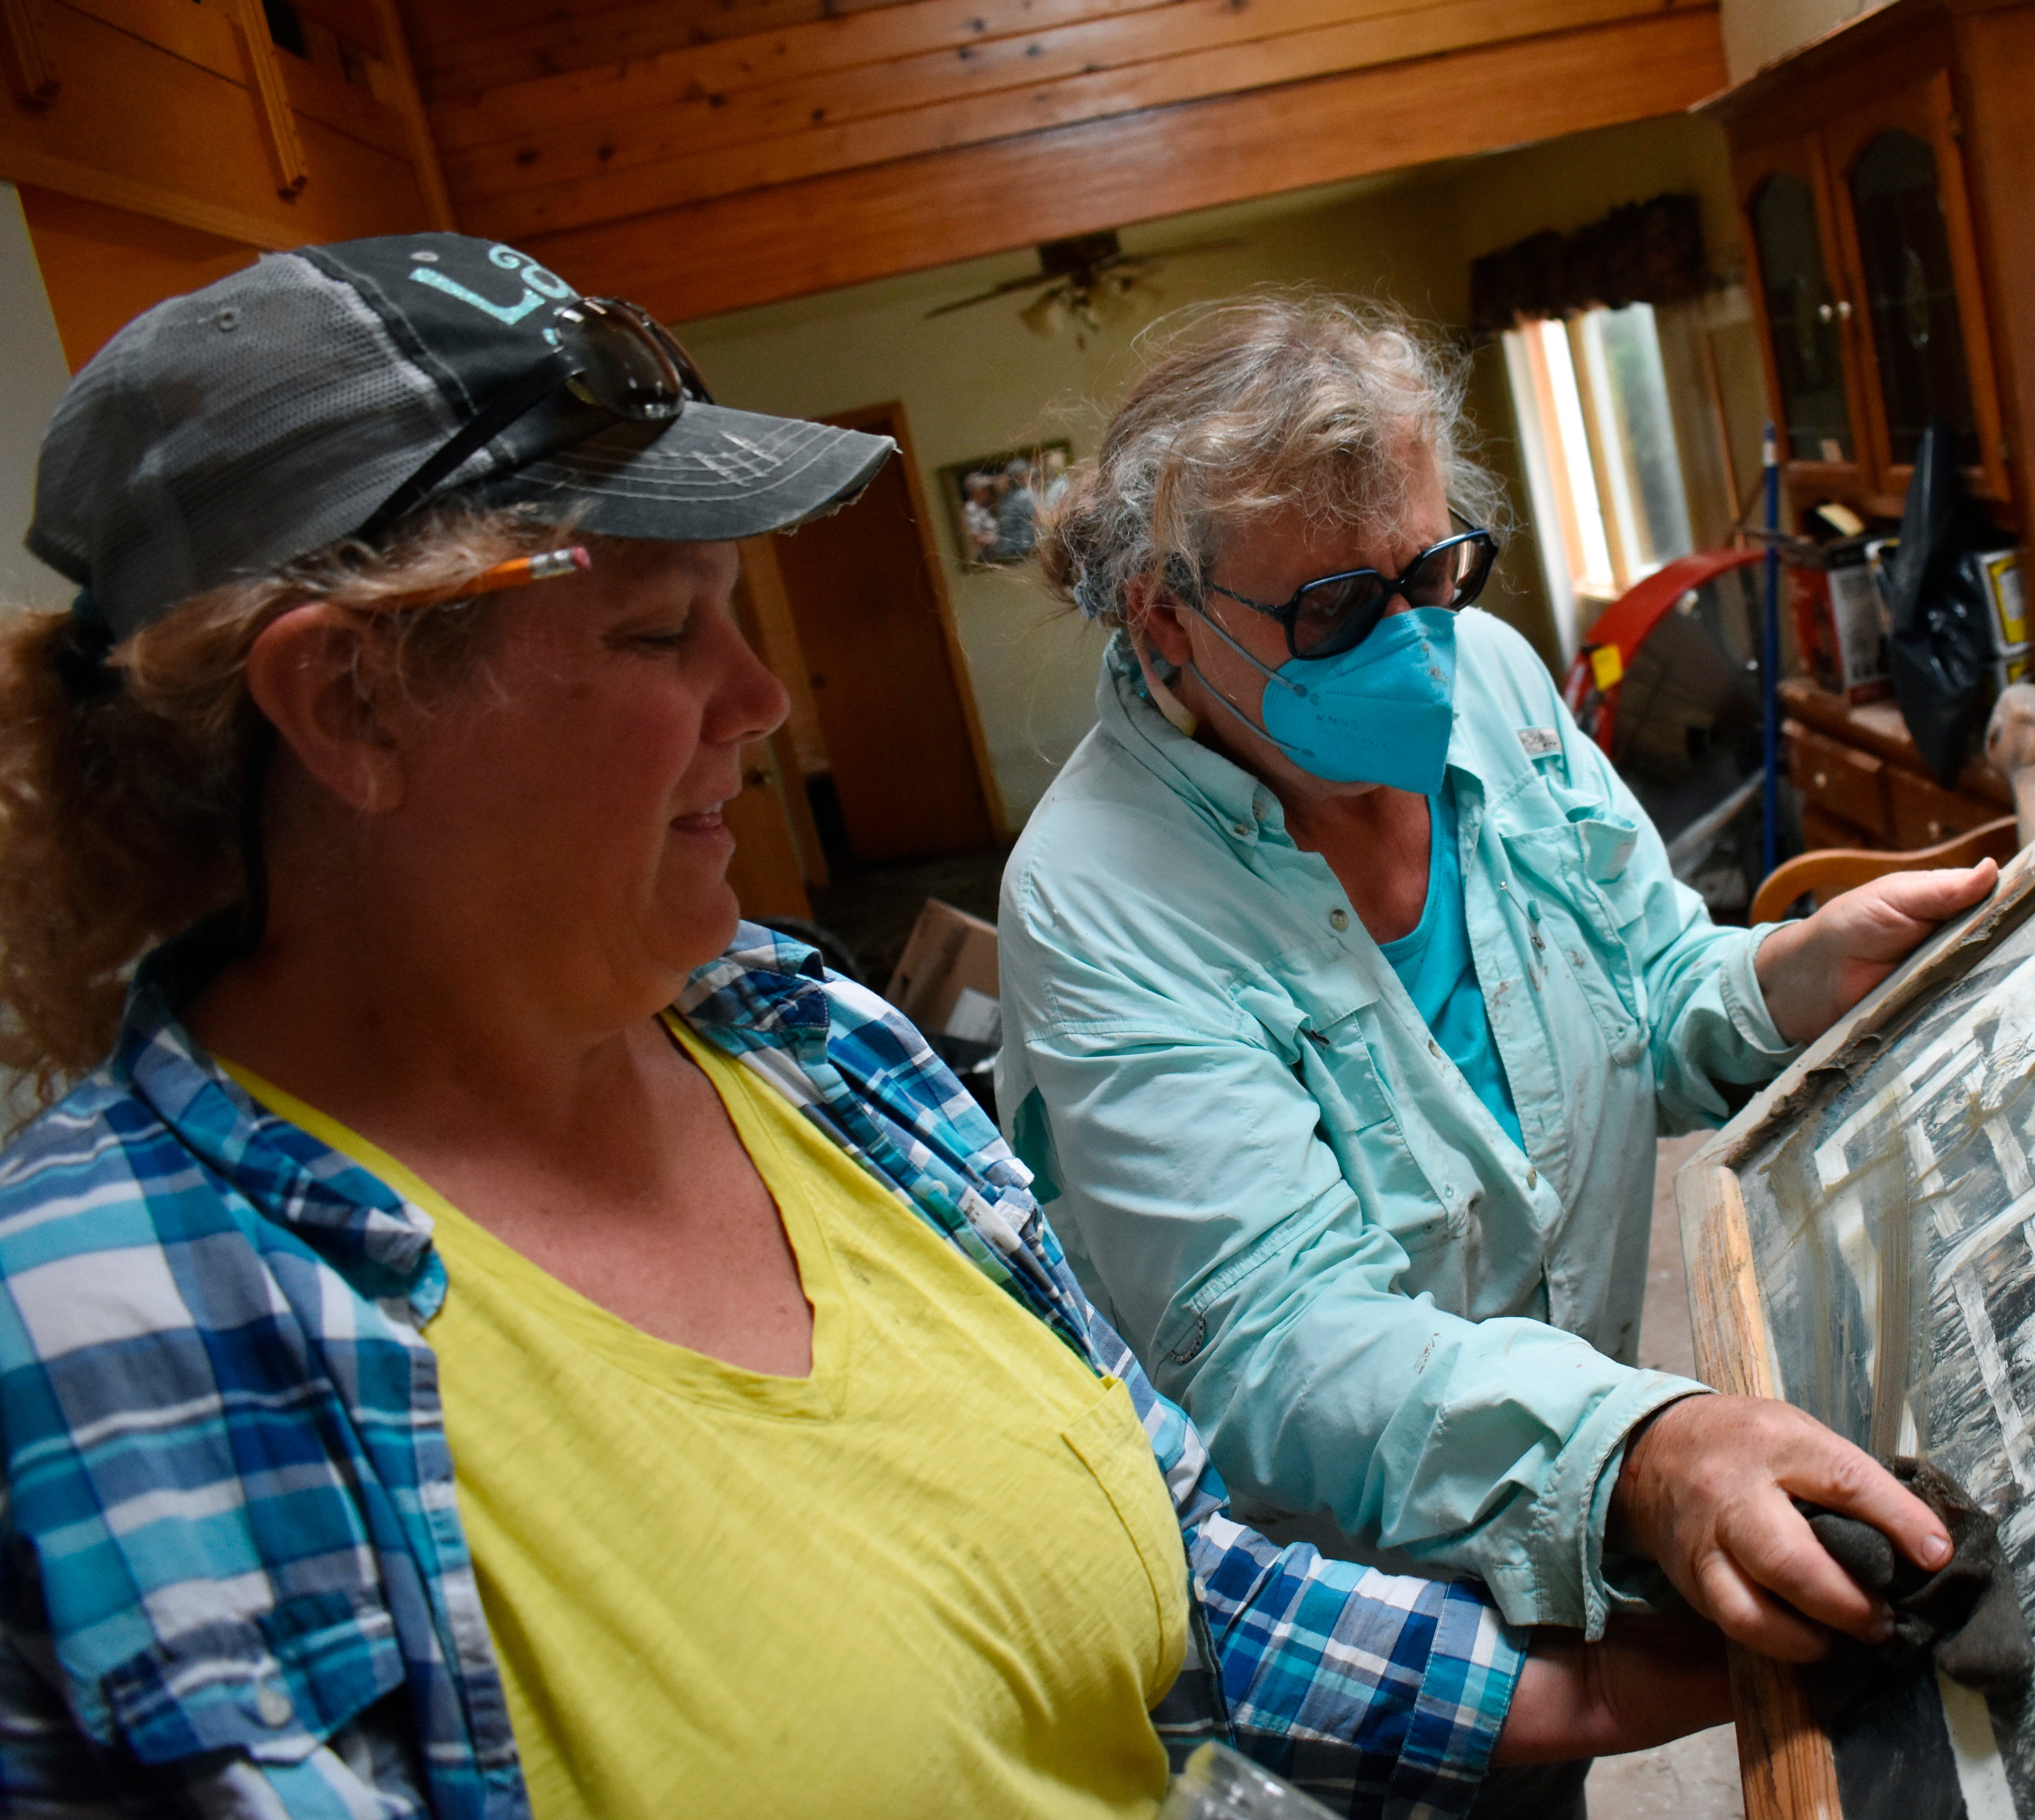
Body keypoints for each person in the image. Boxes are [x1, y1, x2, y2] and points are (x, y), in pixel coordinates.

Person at [0, 238, 1728, 1819]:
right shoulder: (105, 1342)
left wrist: (1578, 1680)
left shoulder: (814, 1045)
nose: (758, 704)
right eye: (662, 630)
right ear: (347, 700)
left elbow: (1182, 1561)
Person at [998, 297, 1993, 1767]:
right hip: (1350, 1642)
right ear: (1165, 613)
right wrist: (1644, 1451)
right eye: (1336, 610)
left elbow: (1649, 990)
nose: (1412, 645)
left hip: (1585, 1513)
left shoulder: (1501, 684)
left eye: (1433, 571)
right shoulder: (1097, 898)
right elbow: (1280, 1341)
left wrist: (1795, 973)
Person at [962, 468, 1000, 559]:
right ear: (975, 491)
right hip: (984, 556)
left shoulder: (983, 509)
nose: (987, 492)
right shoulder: (971, 509)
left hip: (992, 553)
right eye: (984, 489)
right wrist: (999, 542)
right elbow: (976, 538)